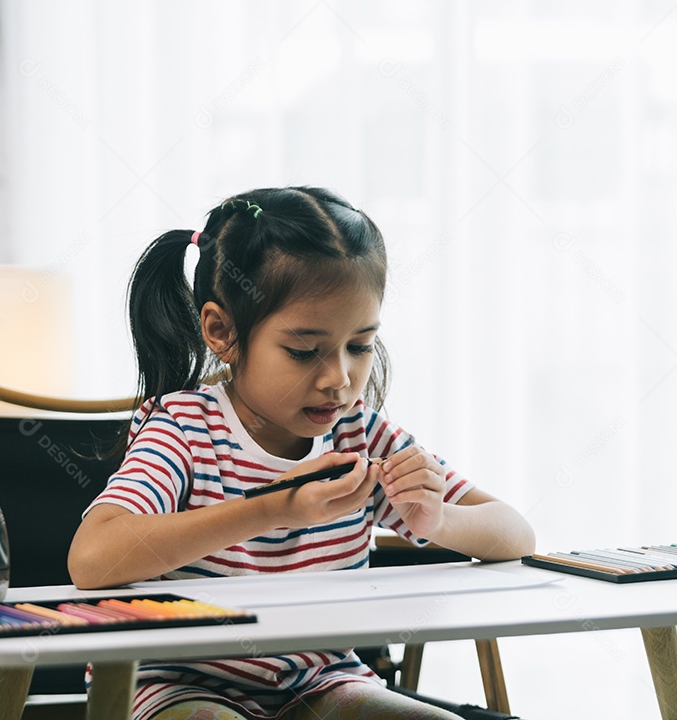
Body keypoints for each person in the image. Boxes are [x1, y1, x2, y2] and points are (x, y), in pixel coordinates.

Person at [68, 186, 535, 720]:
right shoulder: (183, 428)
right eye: (304, 351)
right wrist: (277, 506)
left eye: (360, 346)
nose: (340, 379)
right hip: (177, 683)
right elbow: (92, 558)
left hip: (322, 681)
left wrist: (438, 520)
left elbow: (516, 534)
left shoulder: (361, 433)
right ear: (221, 331)